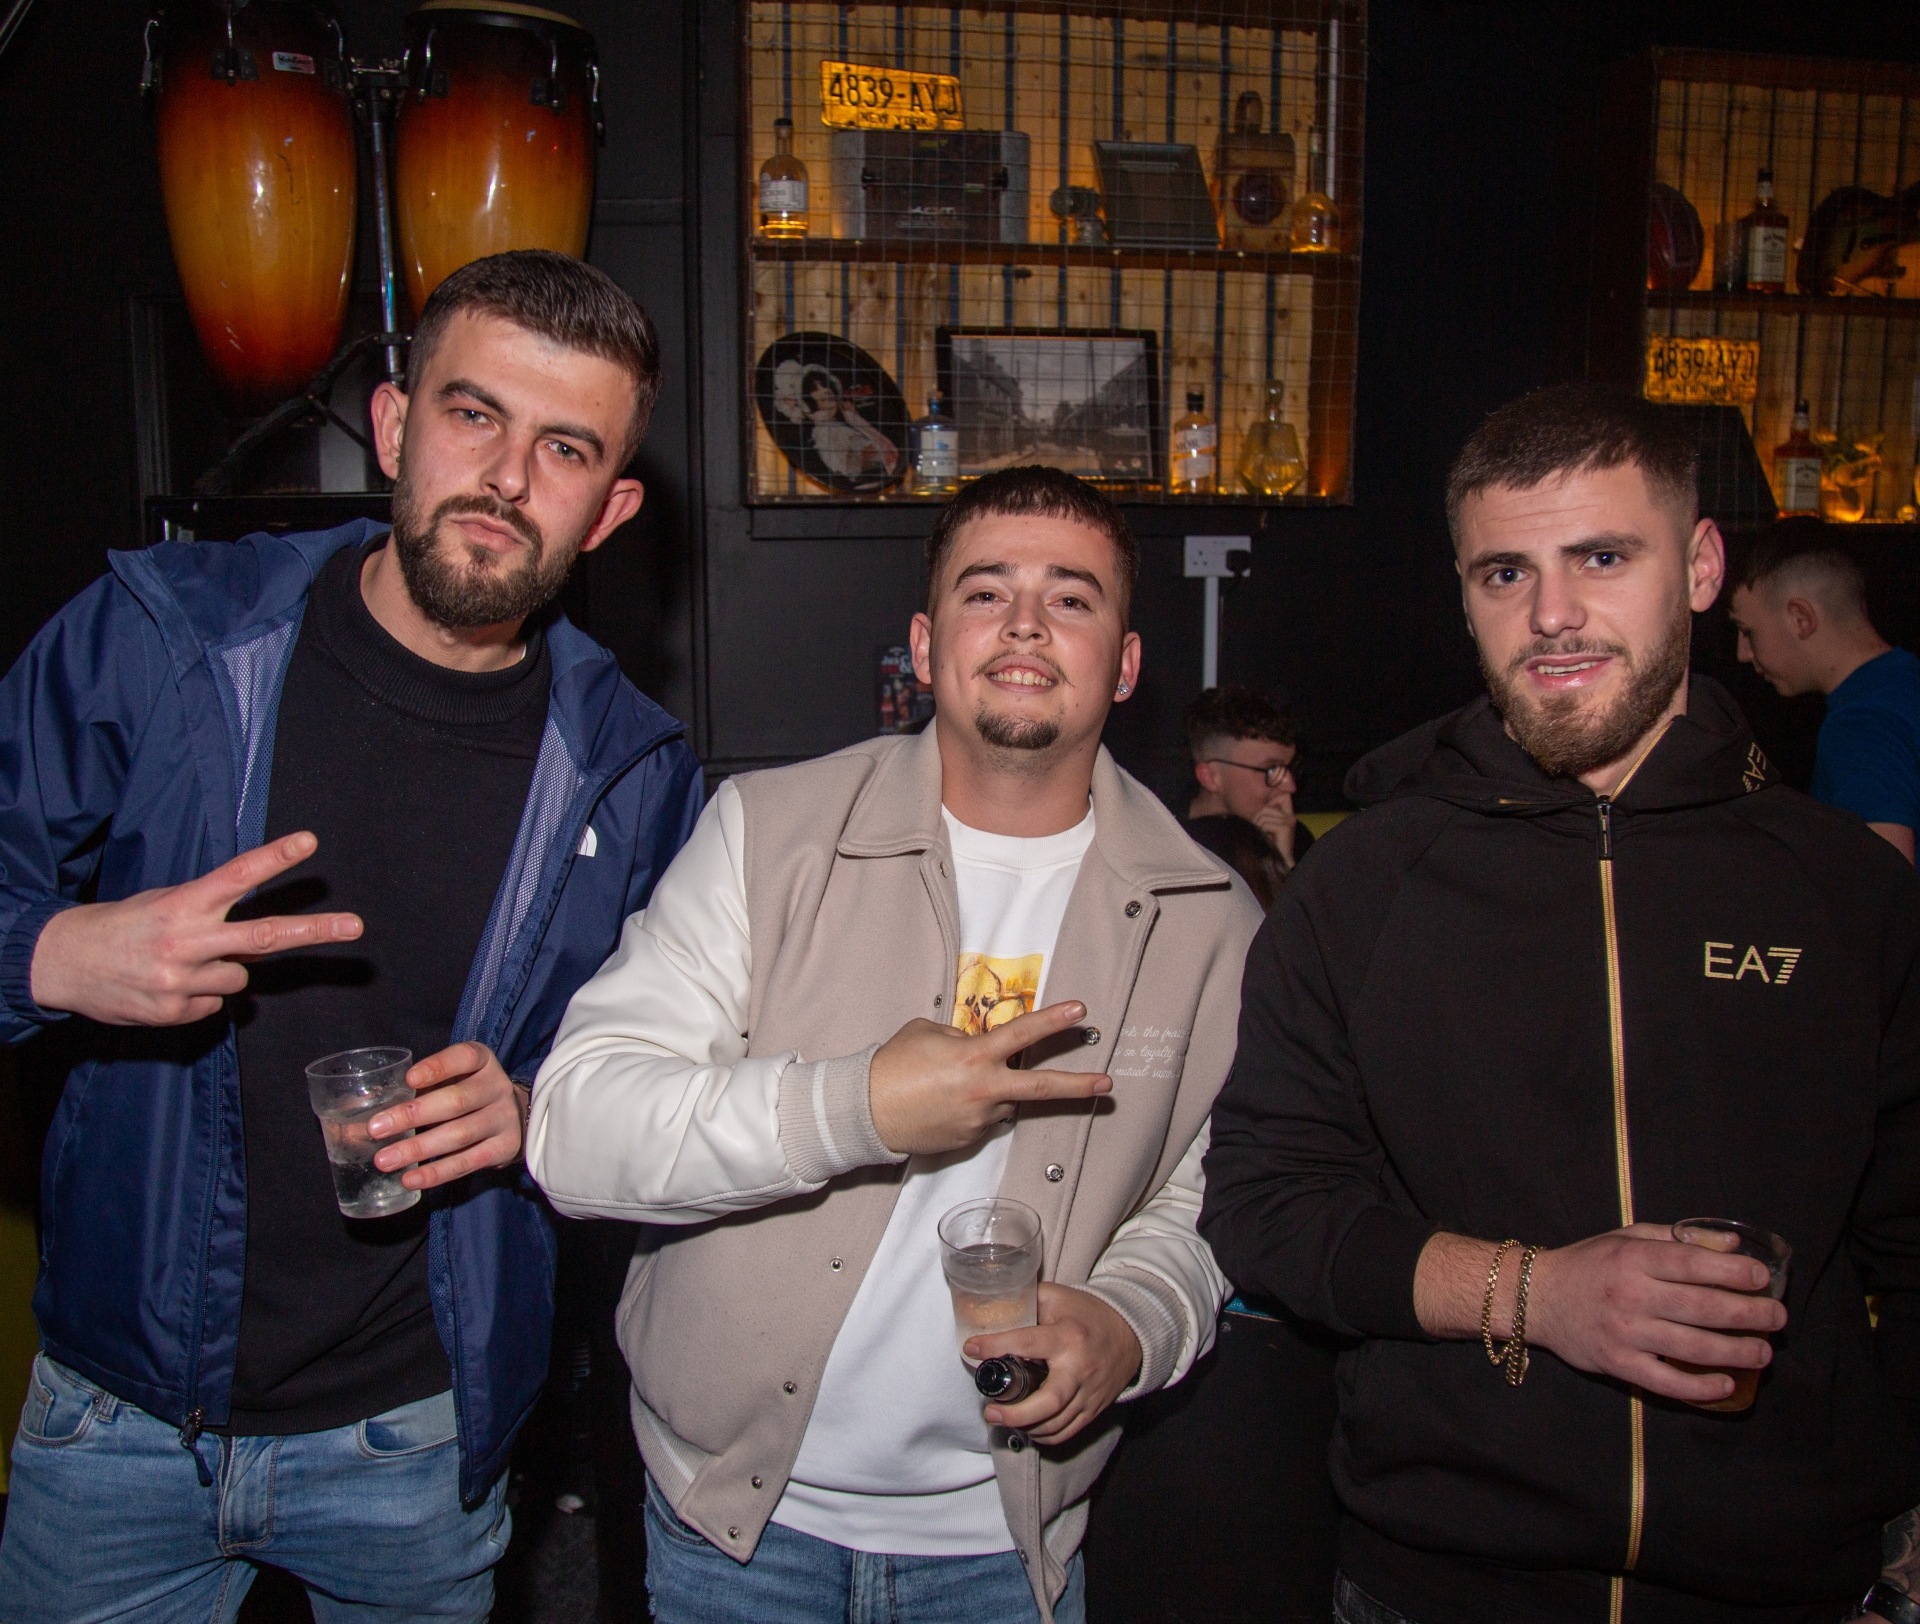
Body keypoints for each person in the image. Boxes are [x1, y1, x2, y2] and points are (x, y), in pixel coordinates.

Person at [0, 250, 703, 1618]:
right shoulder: (163, 638)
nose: (506, 478)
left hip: (415, 1436)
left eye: (564, 448)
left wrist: (535, 1105)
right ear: (392, 425)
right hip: (117, 1420)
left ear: (608, 510)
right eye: (473, 414)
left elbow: (660, 1073)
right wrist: (56, 957)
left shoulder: (632, 774)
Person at [1200, 382, 1920, 1624]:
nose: (1551, 615)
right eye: (1505, 573)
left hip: (1783, 1582)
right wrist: (1537, 1295)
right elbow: (1266, 1209)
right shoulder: (1363, 883)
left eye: (1601, 557)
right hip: (1436, 1584)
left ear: (1702, 567)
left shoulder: (1847, 889)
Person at [527, 465, 1261, 1624]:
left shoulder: (1210, 919)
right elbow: (575, 1128)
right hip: (734, 1525)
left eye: (1072, 597)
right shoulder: (766, 833)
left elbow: (1204, 1206)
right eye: (987, 592)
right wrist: (854, 1106)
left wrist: (1134, 1322)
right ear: (924, 647)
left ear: (1125, 665)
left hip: (1005, 1550)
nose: (1026, 623)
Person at [1728, 519, 1920, 862]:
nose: (1742, 653)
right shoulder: (1906, 683)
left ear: (1800, 619)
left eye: (1748, 631)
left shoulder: (1861, 727)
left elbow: (1885, 882)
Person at [1182, 683, 1312, 906]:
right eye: (1271, 770)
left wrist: (1283, 864)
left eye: (1291, 768)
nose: (1290, 786)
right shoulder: (1164, 835)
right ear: (1210, 776)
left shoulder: (1294, 837)